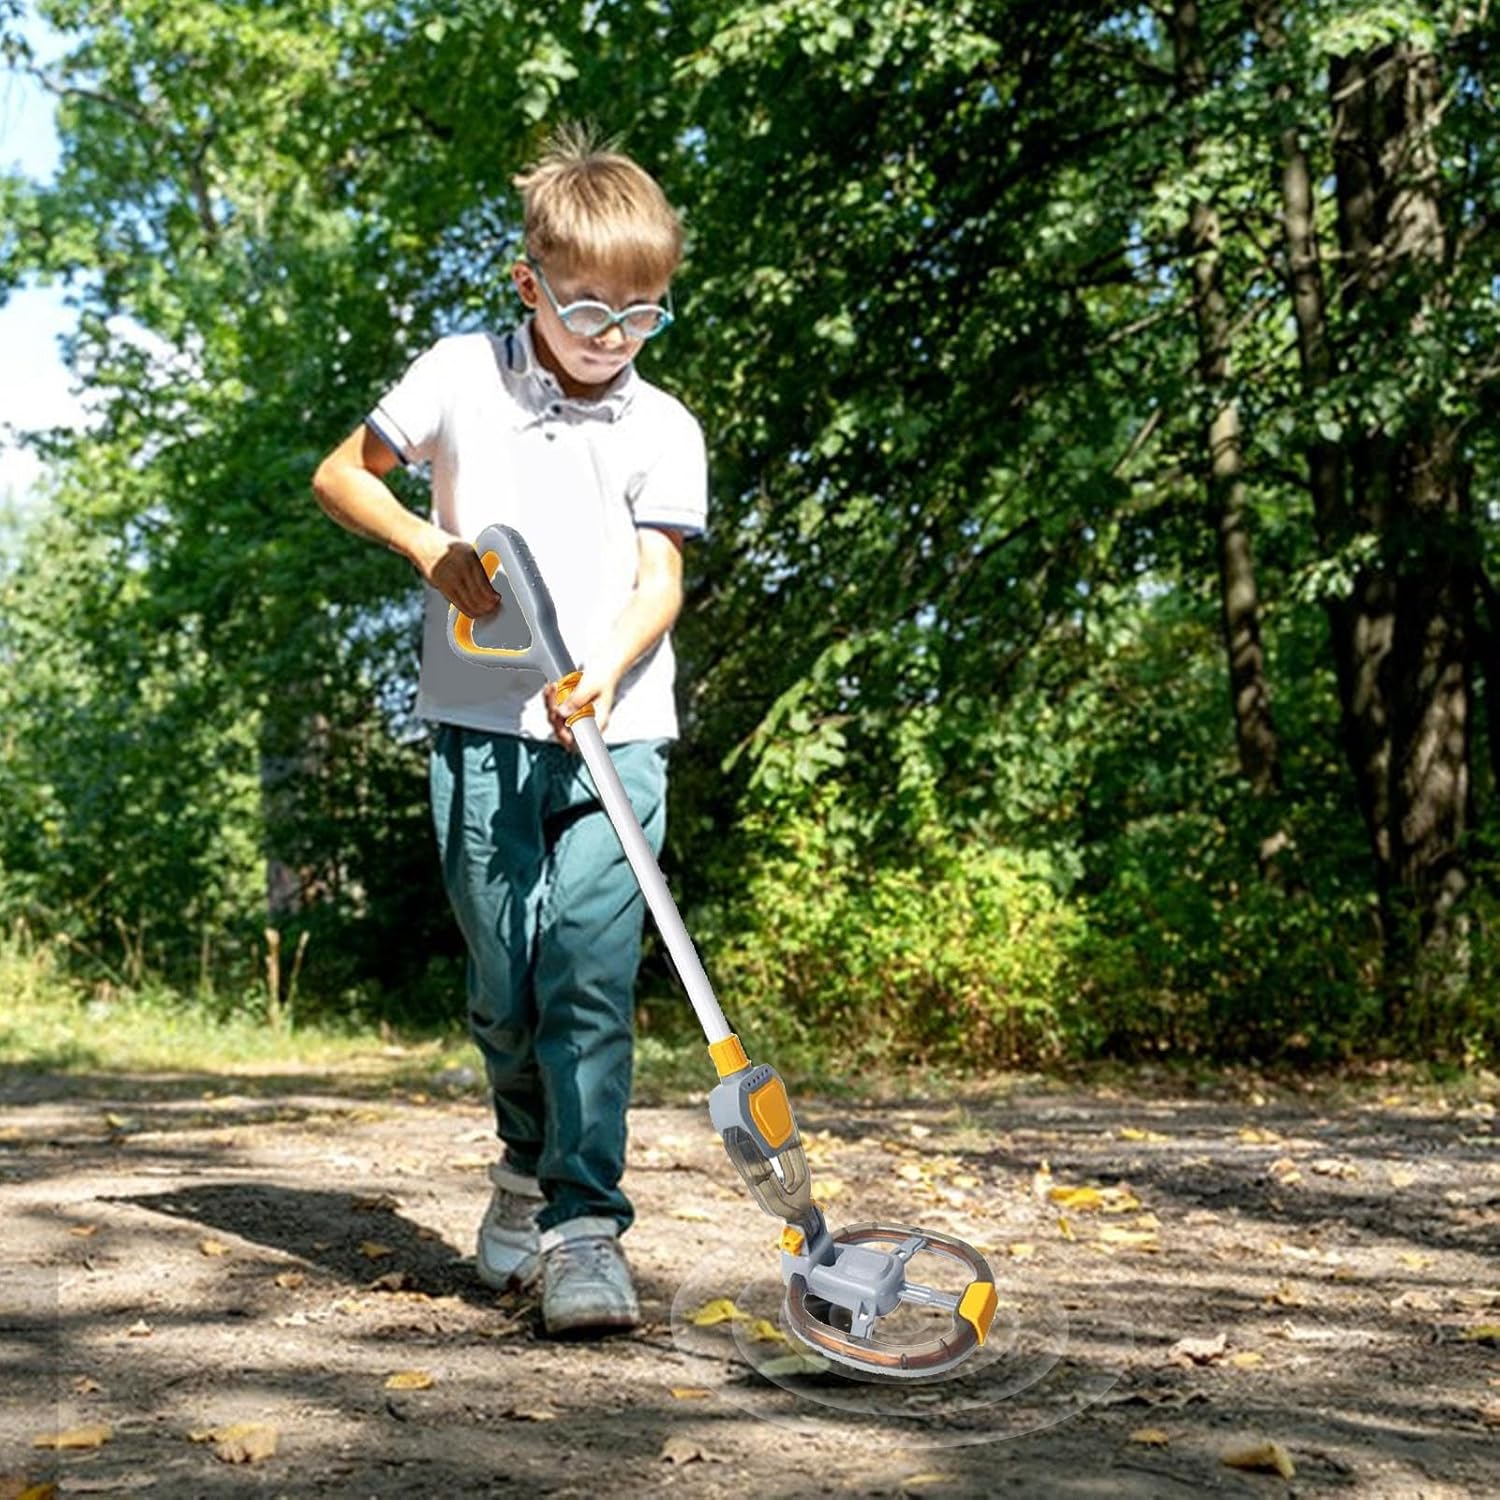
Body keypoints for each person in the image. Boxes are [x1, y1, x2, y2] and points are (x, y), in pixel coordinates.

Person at [311, 125, 707, 1335]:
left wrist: (609, 668)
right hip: (481, 725)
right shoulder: (458, 374)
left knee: (587, 971)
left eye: (642, 317)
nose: (613, 339)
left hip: (616, 731)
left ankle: (585, 1230)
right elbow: (343, 475)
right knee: (504, 983)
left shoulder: (664, 424)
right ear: (530, 284)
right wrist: (427, 547)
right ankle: (524, 1168)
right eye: (590, 313)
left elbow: (660, 582)